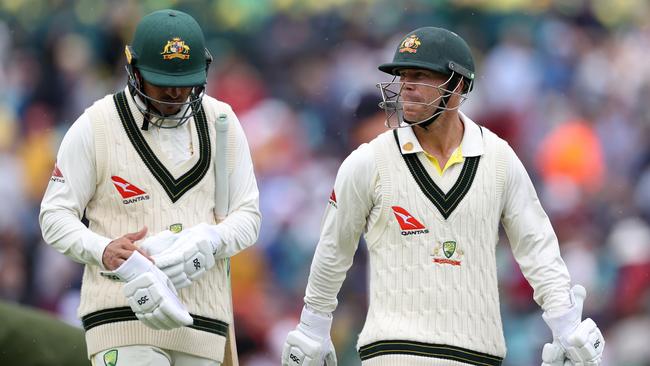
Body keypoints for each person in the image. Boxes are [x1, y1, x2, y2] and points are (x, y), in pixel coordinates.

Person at [281, 27, 604, 366]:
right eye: (402, 76)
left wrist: (566, 323)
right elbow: (334, 251)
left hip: (476, 352)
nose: (406, 86)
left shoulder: (499, 159)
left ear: (457, 85)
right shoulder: (368, 161)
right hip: (394, 352)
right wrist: (313, 328)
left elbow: (536, 247)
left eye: (419, 75)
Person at [39, 9, 260, 366]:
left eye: (185, 80)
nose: (175, 92)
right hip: (121, 314)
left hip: (202, 321)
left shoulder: (223, 122)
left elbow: (248, 216)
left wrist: (211, 239)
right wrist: (103, 249)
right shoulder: (95, 125)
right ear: (134, 70)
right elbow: (54, 215)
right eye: (162, 80)